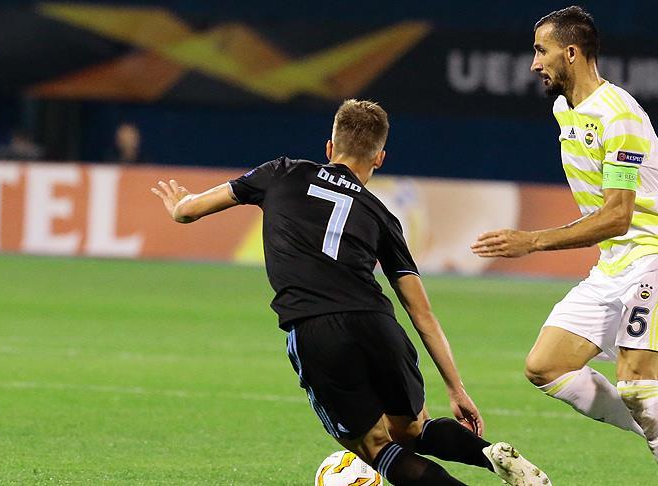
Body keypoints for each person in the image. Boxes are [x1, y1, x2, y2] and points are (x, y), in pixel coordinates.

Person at [151, 99, 550, 486]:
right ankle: (488, 454)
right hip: (379, 325)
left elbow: (189, 210)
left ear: (329, 147)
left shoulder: (281, 172)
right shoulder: (382, 215)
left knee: (375, 448)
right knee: (412, 429)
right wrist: (456, 388)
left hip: (317, 327)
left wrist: (178, 205)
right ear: (380, 158)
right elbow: (421, 312)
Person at [470, 7, 658, 486]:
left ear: (572, 52)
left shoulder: (619, 116)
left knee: (638, 385)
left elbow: (618, 215)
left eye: (541, 51)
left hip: (655, 252)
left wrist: (532, 241)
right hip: (615, 262)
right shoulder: (565, 109)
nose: (534, 63)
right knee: (545, 366)